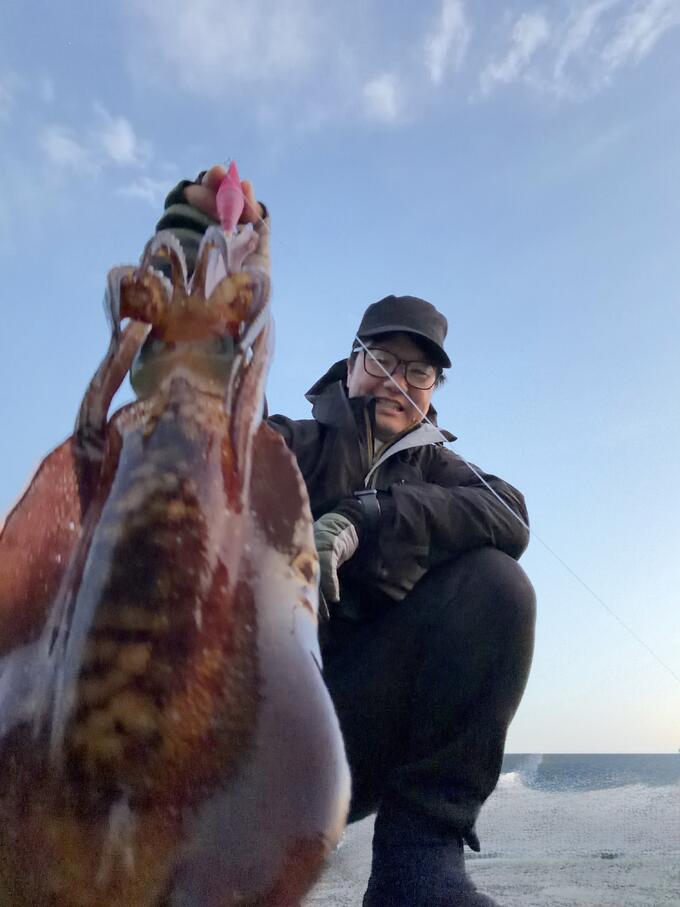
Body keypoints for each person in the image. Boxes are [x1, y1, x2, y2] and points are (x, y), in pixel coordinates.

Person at [154, 165, 536, 907]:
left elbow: (512, 515)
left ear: (435, 391)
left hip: (361, 726)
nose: (399, 381)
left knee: (499, 585)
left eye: (419, 372)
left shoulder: (448, 472)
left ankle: (417, 865)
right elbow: (208, 432)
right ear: (353, 361)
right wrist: (202, 271)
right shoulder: (290, 440)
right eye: (384, 360)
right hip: (240, 734)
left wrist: (369, 519)